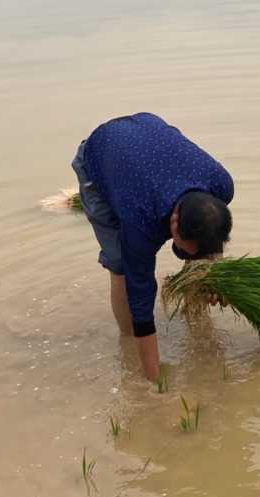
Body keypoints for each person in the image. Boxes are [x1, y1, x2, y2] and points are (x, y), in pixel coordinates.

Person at [71, 113, 234, 381]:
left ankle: (196, 319)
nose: (192, 256)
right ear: (174, 220)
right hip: (100, 155)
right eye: (187, 247)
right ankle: (127, 344)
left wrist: (215, 274)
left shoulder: (221, 185)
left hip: (147, 139)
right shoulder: (139, 223)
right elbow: (141, 302)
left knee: (200, 255)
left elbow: (210, 236)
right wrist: (153, 381)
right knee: (121, 266)